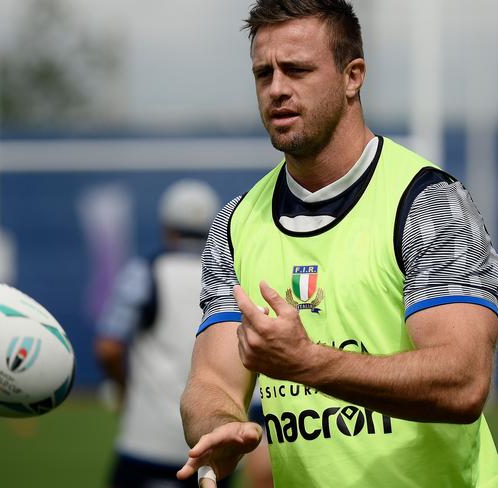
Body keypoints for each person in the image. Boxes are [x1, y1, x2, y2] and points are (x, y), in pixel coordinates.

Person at [176, 1, 498, 487]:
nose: (277, 88)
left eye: (298, 70)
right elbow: (212, 382)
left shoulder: (426, 201)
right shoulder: (236, 222)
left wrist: (307, 362)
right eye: (264, 73)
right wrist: (220, 424)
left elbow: (463, 381)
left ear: (353, 77)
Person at [95, 179, 236, 488]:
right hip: (212, 446)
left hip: (147, 441)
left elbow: (109, 347)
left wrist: (123, 390)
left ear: (167, 226)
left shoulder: (145, 271)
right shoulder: (233, 275)